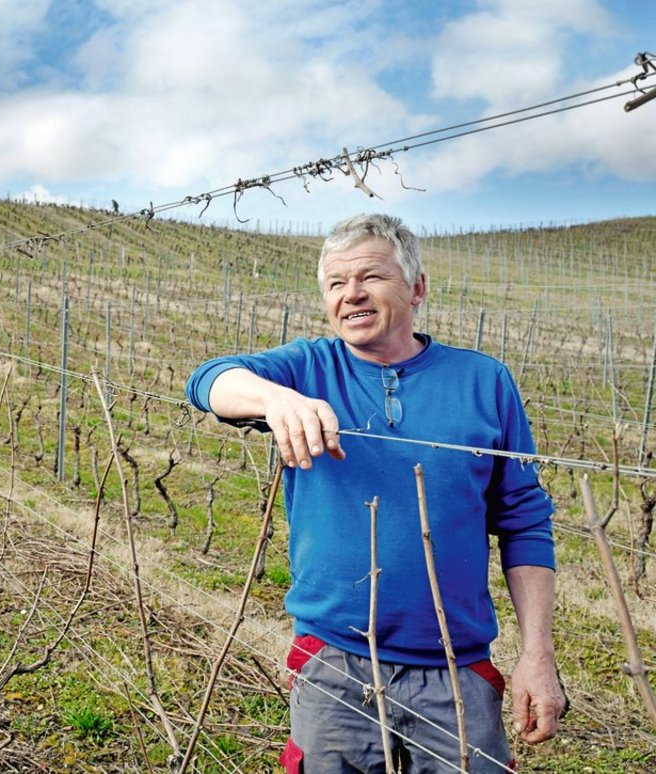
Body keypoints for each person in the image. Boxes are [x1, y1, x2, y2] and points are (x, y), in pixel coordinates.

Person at [185, 213, 564, 773]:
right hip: (334, 663)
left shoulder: (484, 382)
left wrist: (538, 655)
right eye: (336, 284)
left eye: (371, 278)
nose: (351, 294)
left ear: (417, 288)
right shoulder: (309, 367)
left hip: (455, 668)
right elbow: (209, 381)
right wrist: (275, 400)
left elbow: (524, 523)